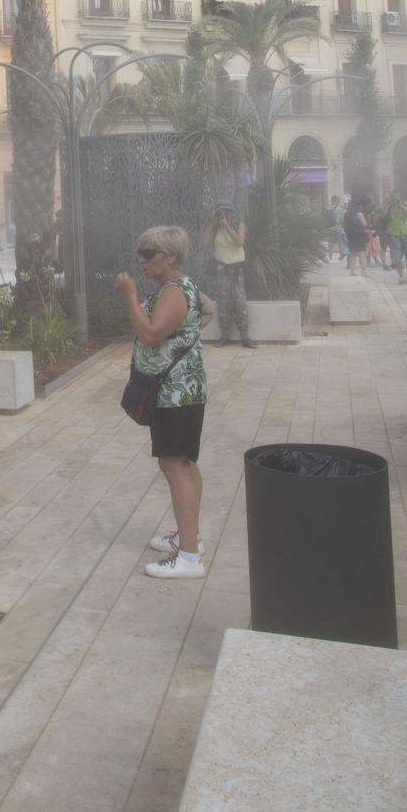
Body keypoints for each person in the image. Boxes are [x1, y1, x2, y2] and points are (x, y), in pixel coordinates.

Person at [117, 225, 217, 580]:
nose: (141, 260)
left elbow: (150, 333)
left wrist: (129, 296)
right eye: (140, 253)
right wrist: (188, 335)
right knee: (181, 464)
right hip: (179, 392)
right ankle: (190, 536)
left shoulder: (174, 290)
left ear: (170, 256)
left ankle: (189, 557)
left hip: (176, 395)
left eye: (149, 254)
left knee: (176, 467)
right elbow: (208, 309)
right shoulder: (180, 288)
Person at [202, 205, 252, 347]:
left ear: (231, 213)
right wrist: (212, 223)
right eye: (220, 212)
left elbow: (239, 242)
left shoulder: (238, 225)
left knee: (240, 302)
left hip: (237, 271)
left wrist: (227, 226)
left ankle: (245, 337)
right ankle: (225, 336)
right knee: (223, 304)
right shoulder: (216, 227)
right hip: (221, 270)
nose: (223, 214)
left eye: (226, 212)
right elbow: (205, 242)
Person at [383, 195, 407, 284]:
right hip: (393, 234)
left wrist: (401, 204)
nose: (396, 200)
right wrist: (389, 204)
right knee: (397, 257)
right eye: (394, 198)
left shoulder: (405, 205)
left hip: (406, 233)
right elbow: (383, 215)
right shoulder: (388, 207)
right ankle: (401, 276)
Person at [342, 197, 368, 276]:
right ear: (357, 206)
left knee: (352, 253)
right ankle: (363, 272)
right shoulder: (358, 213)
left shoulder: (346, 214)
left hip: (350, 235)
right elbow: (364, 223)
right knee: (361, 254)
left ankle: (352, 272)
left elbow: (342, 223)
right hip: (359, 234)